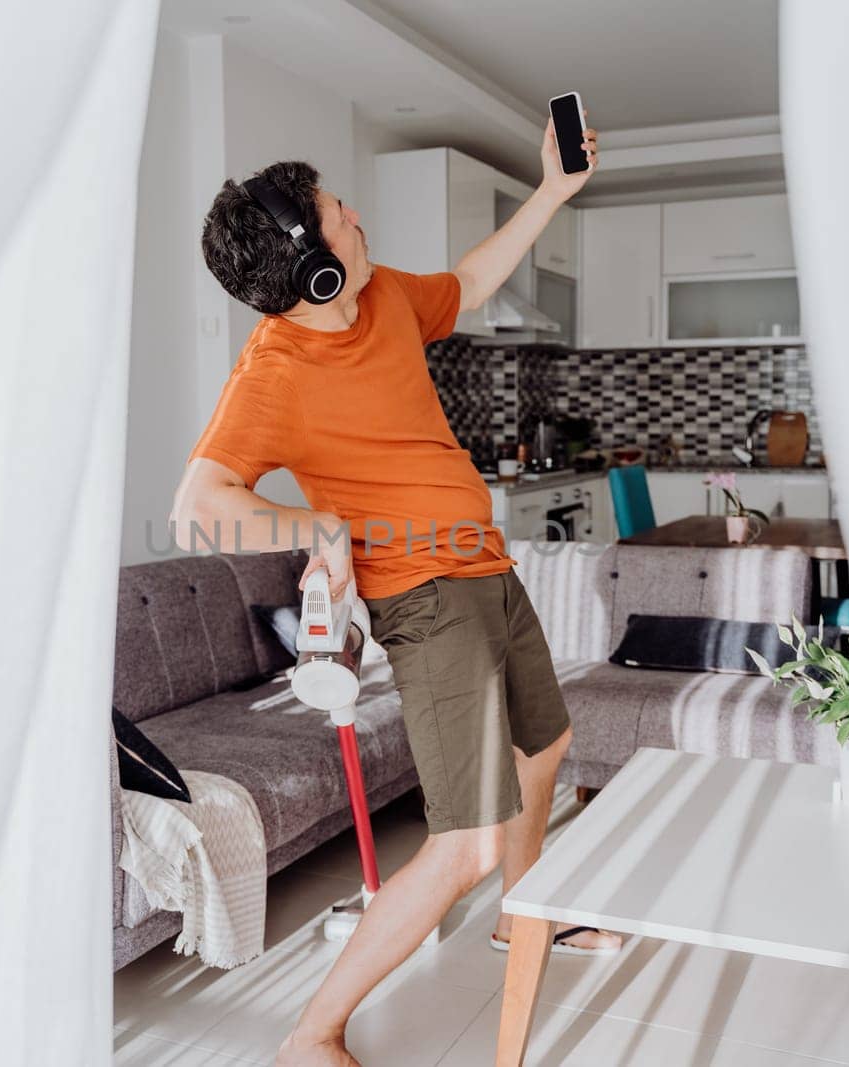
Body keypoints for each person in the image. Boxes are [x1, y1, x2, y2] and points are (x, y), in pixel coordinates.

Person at [169, 114, 613, 1067]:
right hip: (426, 596)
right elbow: (196, 503)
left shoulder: (384, 300)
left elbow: (471, 281)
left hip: (485, 565)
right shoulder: (274, 372)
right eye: (339, 212)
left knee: (549, 745)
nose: (356, 214)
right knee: (465, 845)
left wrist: (550, 193)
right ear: (314, 270)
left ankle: (524, 923)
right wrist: (316, 529)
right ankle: (309, 1034)